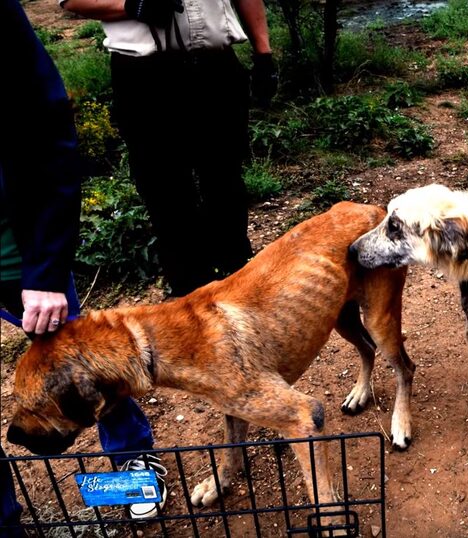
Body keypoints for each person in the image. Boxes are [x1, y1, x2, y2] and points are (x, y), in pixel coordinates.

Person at [0, 1, 166, 531]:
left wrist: (45, 270)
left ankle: (133, 467)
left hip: (12, 255)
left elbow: (47, 128)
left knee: (87, 366)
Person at [61, 0, 278, 297]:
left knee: (226, 180)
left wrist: (263, 53)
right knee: (167, 192)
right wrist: (133, 6)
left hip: (217, 68)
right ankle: (191, 299)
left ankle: (240, 281)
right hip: (145, 78)